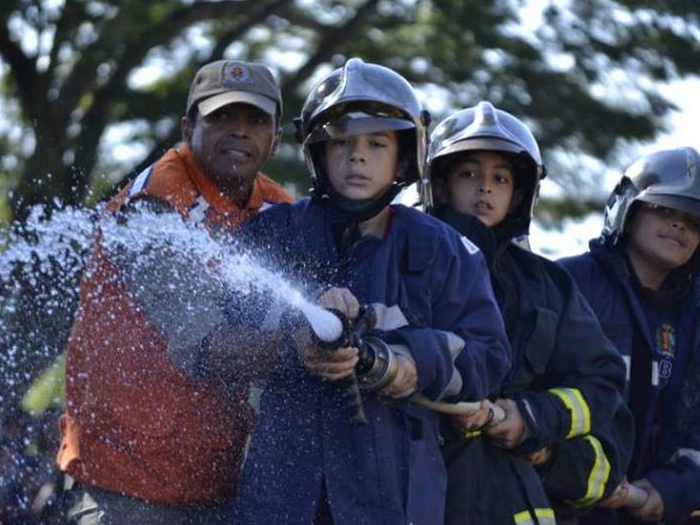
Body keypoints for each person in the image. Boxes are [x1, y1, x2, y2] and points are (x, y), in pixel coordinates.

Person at [215, 59, 511, 524]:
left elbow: (489, 357)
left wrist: (409, 363)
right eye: (342, 142)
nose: (357, 157)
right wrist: (293, 342)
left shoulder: (444, 249)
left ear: (405, 156)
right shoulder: (271, 234)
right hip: (279, 498)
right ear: (318, 153)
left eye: (377, 143)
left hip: (393, 499)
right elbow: (216, 343)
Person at [56, 60, 294, 523]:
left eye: (255, 120)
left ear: (276, 140)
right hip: (124, 488)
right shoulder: (155, 205)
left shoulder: (278, 208)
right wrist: (301, 352)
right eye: (222, 117)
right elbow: (201, 345)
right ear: (188, 129)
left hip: (216, 484)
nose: (239, 131)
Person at [423, 102, 634, 524]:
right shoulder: (408, 258)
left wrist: (532, 418)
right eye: (469, 175)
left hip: (509, 498)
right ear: (440, 187)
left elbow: (601, 380)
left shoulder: (548, 286)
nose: (485, 189)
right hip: (422, 486)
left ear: (519, 196)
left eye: (499, 179)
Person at [557, 147, 700, 524]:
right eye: (663, 209)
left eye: (693, 221)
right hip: (561, 505)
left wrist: (665, 492)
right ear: (627, 209)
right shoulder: (567, 283)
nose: (679, 225)